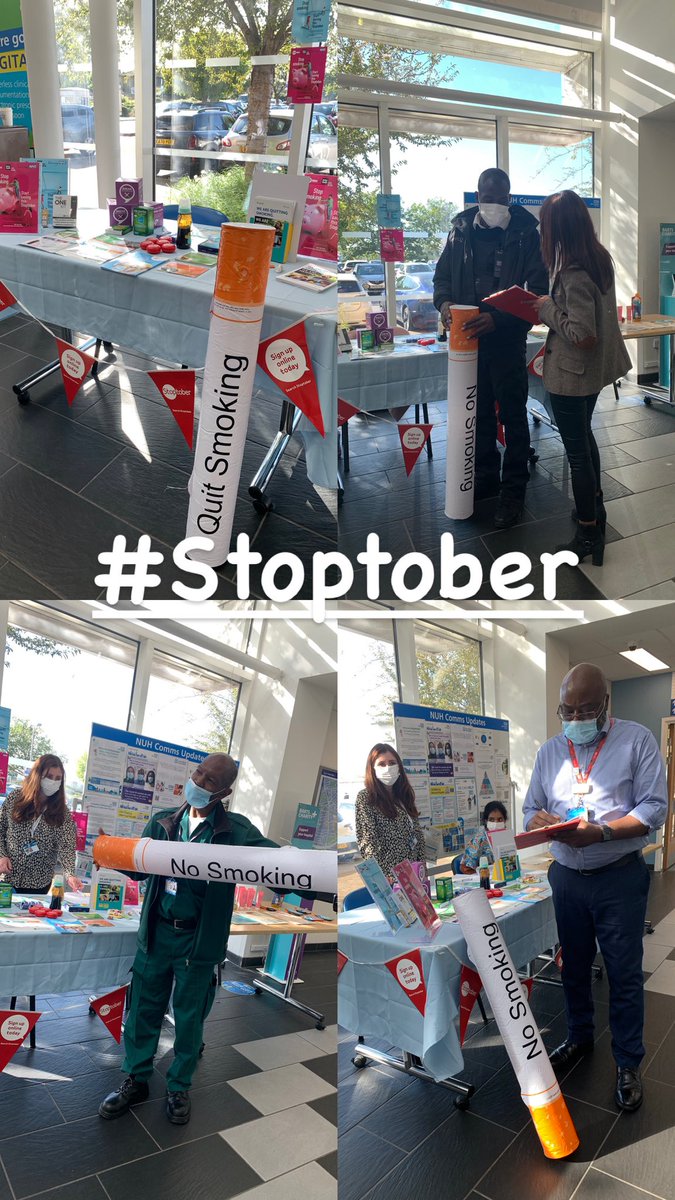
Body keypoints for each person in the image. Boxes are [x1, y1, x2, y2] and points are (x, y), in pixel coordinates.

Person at [98, 753, 278, 1126]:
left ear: (224, 792)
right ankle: (136, 1078)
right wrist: (110, 854)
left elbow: (277, 865)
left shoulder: (236, 832)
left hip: (198, 940)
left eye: (210, 781)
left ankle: (179, 1085)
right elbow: (140, 869)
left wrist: (316, 876)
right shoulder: (164, 822)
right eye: (198, 773)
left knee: (189, 1016)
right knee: (143, 1009)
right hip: (157, 932)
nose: (199, 782)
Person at [523, 663, 667, 1113]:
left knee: (623, 973)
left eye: (586, 710)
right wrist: (537, 820)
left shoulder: (637, 740)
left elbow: (655, 808)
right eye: (567, 710)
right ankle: (579, 1038)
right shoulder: (549, 752)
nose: (576, 718)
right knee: (574, 967)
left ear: (606, 703)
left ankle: (628, 1062)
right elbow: (530, 808)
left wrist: (601, 832)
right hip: (567, 878)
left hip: (618, 877)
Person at [433, 167, 548, 528]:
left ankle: (513, 490)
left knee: (512, 415)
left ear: (509, 198)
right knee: (478, 411)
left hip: (507, 340)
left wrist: (498, 319)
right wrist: (444, 304)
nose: (494, 204)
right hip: (468, 342)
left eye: (501, 198)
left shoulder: (526, 234)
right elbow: (442, 279)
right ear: (478, 195)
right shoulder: (459, 231)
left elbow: (537, 293)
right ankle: (484, 477)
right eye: (488, 197)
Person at [532, 191, 631, 566]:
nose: (542, 231)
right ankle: (595, 508)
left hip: (571, 375)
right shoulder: (599, 259)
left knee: (577, 455)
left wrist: (546, 309)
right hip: (591, 374)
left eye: (546, 224)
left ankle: (588, 532)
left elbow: (582, 334)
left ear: (560, 229)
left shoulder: (573, 273)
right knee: (584, 440)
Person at [0, 754, 81, 894]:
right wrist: (2, 855)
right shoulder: (15, 799)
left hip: (39, 882)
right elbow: (1, 829)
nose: (53, 781)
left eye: (58, 778)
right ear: (37, 775)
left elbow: (67, 845)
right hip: (8, 877)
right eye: (49, 776)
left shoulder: (62, 812)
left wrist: (70, 874)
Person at [355, 743, 427, 879]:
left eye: (392, 763)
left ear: (399, 766)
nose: (388, 768)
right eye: (382, 764)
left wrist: (422, 869)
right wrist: (381, 877)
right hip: (389, 876)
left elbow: (418, 835)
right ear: (372, 769)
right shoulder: (366, 797)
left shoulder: (404, 795)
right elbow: (368, 842)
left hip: (413, 873)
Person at [458, 800, 508, 873]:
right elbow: (465, 868)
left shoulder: (507, 837)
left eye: (500, 819)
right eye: (491, 819)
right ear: (486, 821)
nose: (496, 823)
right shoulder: (479, 839)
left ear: (505, 820)